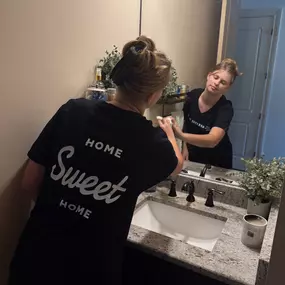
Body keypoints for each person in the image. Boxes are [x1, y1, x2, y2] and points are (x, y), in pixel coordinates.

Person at [9, 36, 183, 285]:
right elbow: (176, 164)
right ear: (154, 96)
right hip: (91, 269)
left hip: (36, 257)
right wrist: (168, 131)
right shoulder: (153, 143)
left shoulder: (73, 110)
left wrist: (63, 209)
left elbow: (29, 181)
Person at [172, 58, 241, 169]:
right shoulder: (192, 96)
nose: (217, 83)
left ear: (227, 87)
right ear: (209, 76)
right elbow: (186, 124)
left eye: (223, 82)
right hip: (193, 156)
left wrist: (181, 136)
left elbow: (213, 140)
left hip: (217, 162)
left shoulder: (225, 108)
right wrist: (185, 147)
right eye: (215, 77)